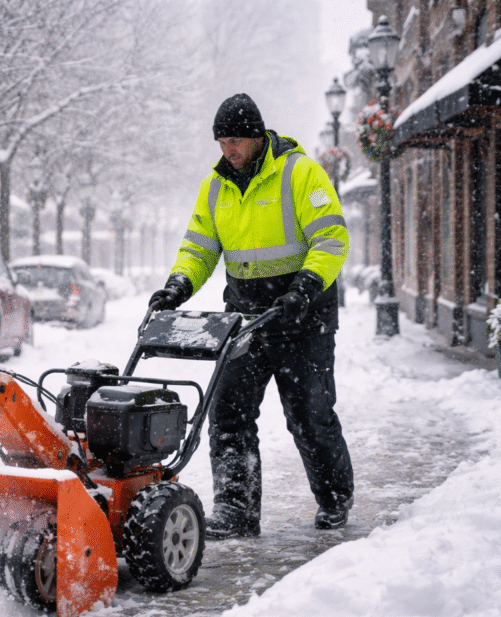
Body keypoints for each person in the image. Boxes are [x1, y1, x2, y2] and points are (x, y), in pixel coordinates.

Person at [149, 93, 354, 538]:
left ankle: (335, 499)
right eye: (222, 141)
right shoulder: (215, 186)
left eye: (236, 141)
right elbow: (199, 247)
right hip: (245, 320)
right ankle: (237, 511)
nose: (229, 150)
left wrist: (304, 286)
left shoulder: (300, 174)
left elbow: (332, 238)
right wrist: (177, 286)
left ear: (258, 137)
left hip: (302, 317)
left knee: (309, 415)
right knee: (228, 415)